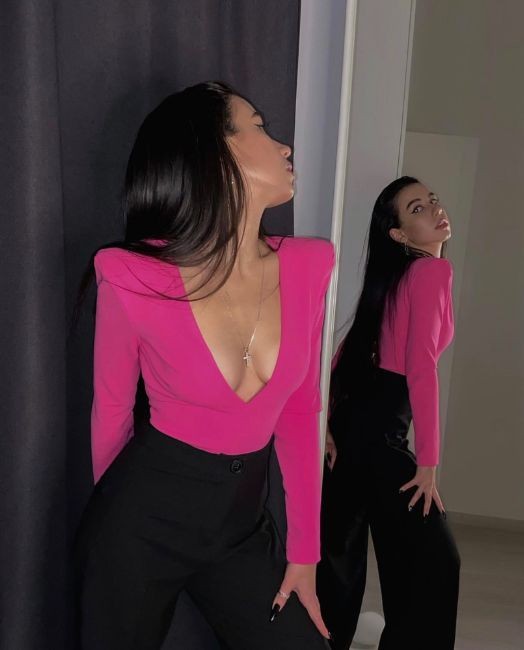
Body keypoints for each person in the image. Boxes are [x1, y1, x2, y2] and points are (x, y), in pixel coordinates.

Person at [72, 81, 335, 649]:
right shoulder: (131, 274)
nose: (284, 145)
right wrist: (117, 535)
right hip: (142, 523)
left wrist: (305, 555)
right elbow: (111, 412)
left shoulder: (310, 265)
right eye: (258, 126)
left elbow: (299, 414)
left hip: (240, 529)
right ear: (213, 154)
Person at [318, 176, 460, 650]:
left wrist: (325, 424)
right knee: (435, 563)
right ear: (398, 234)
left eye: (431, 200)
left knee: (340, 562)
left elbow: (343, 354)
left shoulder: (397, 277)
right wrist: (429, 463)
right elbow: (421, 368)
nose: (434, 209)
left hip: (352, 426)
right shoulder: (431, 273)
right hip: (381, 433)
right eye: (417, 208)